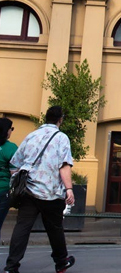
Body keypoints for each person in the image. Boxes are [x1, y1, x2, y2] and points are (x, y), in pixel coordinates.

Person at [3, 106, 76, 273]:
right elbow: (64, 165)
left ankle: (11, 266)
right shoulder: (62, 138)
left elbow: (15, 162)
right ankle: (61, 262)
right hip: (51, 193)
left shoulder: (32, 136)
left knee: (22, 228)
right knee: (55, 229)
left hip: (29, 191)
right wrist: (69, 189)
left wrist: (17, 179)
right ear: (60, 120)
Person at [0, 118, 17, 238]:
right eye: (11, 129)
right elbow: (14, 174)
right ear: (6, 131)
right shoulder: (11, 148)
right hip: (3, 190)